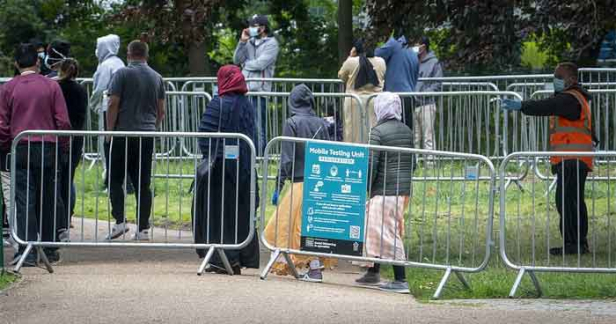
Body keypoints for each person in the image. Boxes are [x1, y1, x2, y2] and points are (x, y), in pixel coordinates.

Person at [502, 62, 594, 256]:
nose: (556, 80)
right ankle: (578, 243)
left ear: (571, 80)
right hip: (572, 158)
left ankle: (573, 245)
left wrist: (522, 106)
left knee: (567, 202)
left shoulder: (570, 99)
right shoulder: (574, 97)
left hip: (572, 158)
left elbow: (547, 106)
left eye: (559, 77)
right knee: (572, 201)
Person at [0, 43, 71, 266]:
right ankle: (49, 249)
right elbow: (63, 121)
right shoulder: (51, 87)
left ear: (15, 63)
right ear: (38, 62)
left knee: (24, 200)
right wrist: (64, 146)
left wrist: (6, 144)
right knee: (49, 197)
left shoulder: (8, 88)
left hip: (21, 147)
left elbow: (2, 124)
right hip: (48, 147)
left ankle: (28, 250)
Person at [263, 84, 336, 282]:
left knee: (285, 226)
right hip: (319, 183)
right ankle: (313, 268)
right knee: (308, 227)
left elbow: (287, 159)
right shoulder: (321, 122)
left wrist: (278, 185)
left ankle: (307, 268)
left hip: (299, 182)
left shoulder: (292, 123)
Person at [194, 65, 260, 275]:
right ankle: (237, 258)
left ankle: (221, 259)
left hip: (219, 171)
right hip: (243, 169)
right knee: (238, 214)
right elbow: (254, 136)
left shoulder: (218, 103)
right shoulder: (247, 105)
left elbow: (205, 136)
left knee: (218, 215)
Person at [105, 40, 166, 241]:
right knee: (143, 182)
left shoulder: (122, 74)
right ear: (146, 55)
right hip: (146, 134)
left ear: (129, 54)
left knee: (115, 179)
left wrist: (109, 131)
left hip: (123, 133)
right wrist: (152, 127)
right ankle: (143, 228)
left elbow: (113, 103)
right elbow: (161, 110)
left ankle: (120, 221)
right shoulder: (157, 77)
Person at [355, 92, 414, 294]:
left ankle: (400, 279)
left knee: (386, 232)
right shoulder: (407, 131)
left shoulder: (377, 131)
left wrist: (366, 187)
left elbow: (372, 163)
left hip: (385, 190)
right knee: (376, 228)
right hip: (402, 190)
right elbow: (413, 162)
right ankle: (373, 271)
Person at [233, 14, 280, 155]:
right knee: (243, 126)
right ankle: (246, 156)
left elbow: (261, 64)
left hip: (259, 91)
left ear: (262, 28)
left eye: (253, 26)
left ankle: (259, 159)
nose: (250, 28)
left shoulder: (272, 43)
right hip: (244, 90)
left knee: (258, 128)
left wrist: (245, 65)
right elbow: (236, 60)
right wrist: (242, 41)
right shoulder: (248, 42)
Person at [89, 34, 131, 191]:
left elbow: (100, 89)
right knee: (119, 145)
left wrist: (93, 104)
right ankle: (123, 181)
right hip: (121, 108)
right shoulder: (118, 62)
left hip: (109, 108)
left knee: (110, 144)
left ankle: (112, 181)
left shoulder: (106, 66)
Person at [57, 59, 88, 226]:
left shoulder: (56, 88)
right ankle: (67, 217)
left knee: (56, 178)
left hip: (58, 138)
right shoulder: (82, 90)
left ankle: (57, 217)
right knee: (68, 179)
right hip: (75, 139)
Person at [338, 39, 386, 143]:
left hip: (354, 101)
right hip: (375, 101)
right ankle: (373, 156)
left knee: (353, 133)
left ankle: (354, 156)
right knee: (374, 131)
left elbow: (341, 76)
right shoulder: (381, 62)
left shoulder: (351, 62)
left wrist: (350, 56)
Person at [375, 35, 420, 130]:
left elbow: (376, 55)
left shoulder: (394, 44)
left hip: (395, 98)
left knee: (392, 132)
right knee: (407, 132)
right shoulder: (412, 52)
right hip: (410, 96)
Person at [413, 36, 443, 153]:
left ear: (423, 47)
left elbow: (437, 84)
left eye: (416, 45)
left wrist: (423, 94)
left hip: (427, 104)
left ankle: (430, 165)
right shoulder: (413, 61)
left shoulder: (434, 63)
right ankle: (414, 164)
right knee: (414, 137)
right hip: (414, 104)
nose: (414, 48)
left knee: (428, 137)